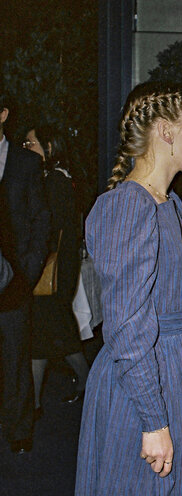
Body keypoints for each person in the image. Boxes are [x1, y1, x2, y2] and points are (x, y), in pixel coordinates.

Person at [74, 81, 182, 496]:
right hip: (146, 380)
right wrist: (153, 419)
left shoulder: (169, 203)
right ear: (164, 130)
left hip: (178, 371)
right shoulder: (127, 206)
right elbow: (126, 324)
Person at [24, 125, 90, 413]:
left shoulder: (54, 182)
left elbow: (50, 229)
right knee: (58, 334)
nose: (26, 148)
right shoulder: (58, 179)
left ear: (49, 147)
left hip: (51, 269)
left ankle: (33, 404)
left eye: (31, 144)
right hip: (57, 268)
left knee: (45, 336)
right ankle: (86, 383)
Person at [0, 93, 49, 455]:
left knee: (15, 357)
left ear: (3, 114)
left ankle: (19, 429)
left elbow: (40, 222)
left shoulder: (26, 164)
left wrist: (27, 275)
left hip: (14, 279)